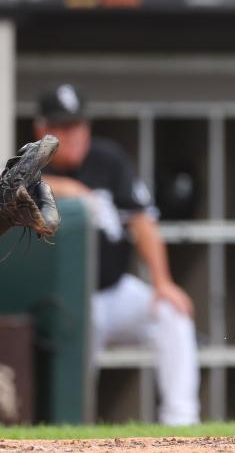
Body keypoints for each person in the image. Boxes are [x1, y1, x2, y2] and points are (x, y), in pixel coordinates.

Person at [36, 84, 200, 425]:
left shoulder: (107, 159)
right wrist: (68, 190)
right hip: (69, 302)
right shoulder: (29, 164)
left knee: (173, 313)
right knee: (80, 332)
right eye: (63, 128)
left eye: (78, 126)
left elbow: (142, 223)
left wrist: (162, 282)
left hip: (115, 289)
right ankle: (72, 425)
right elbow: (16, 188)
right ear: (42, 130)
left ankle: (182, 423)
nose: (74, 135)